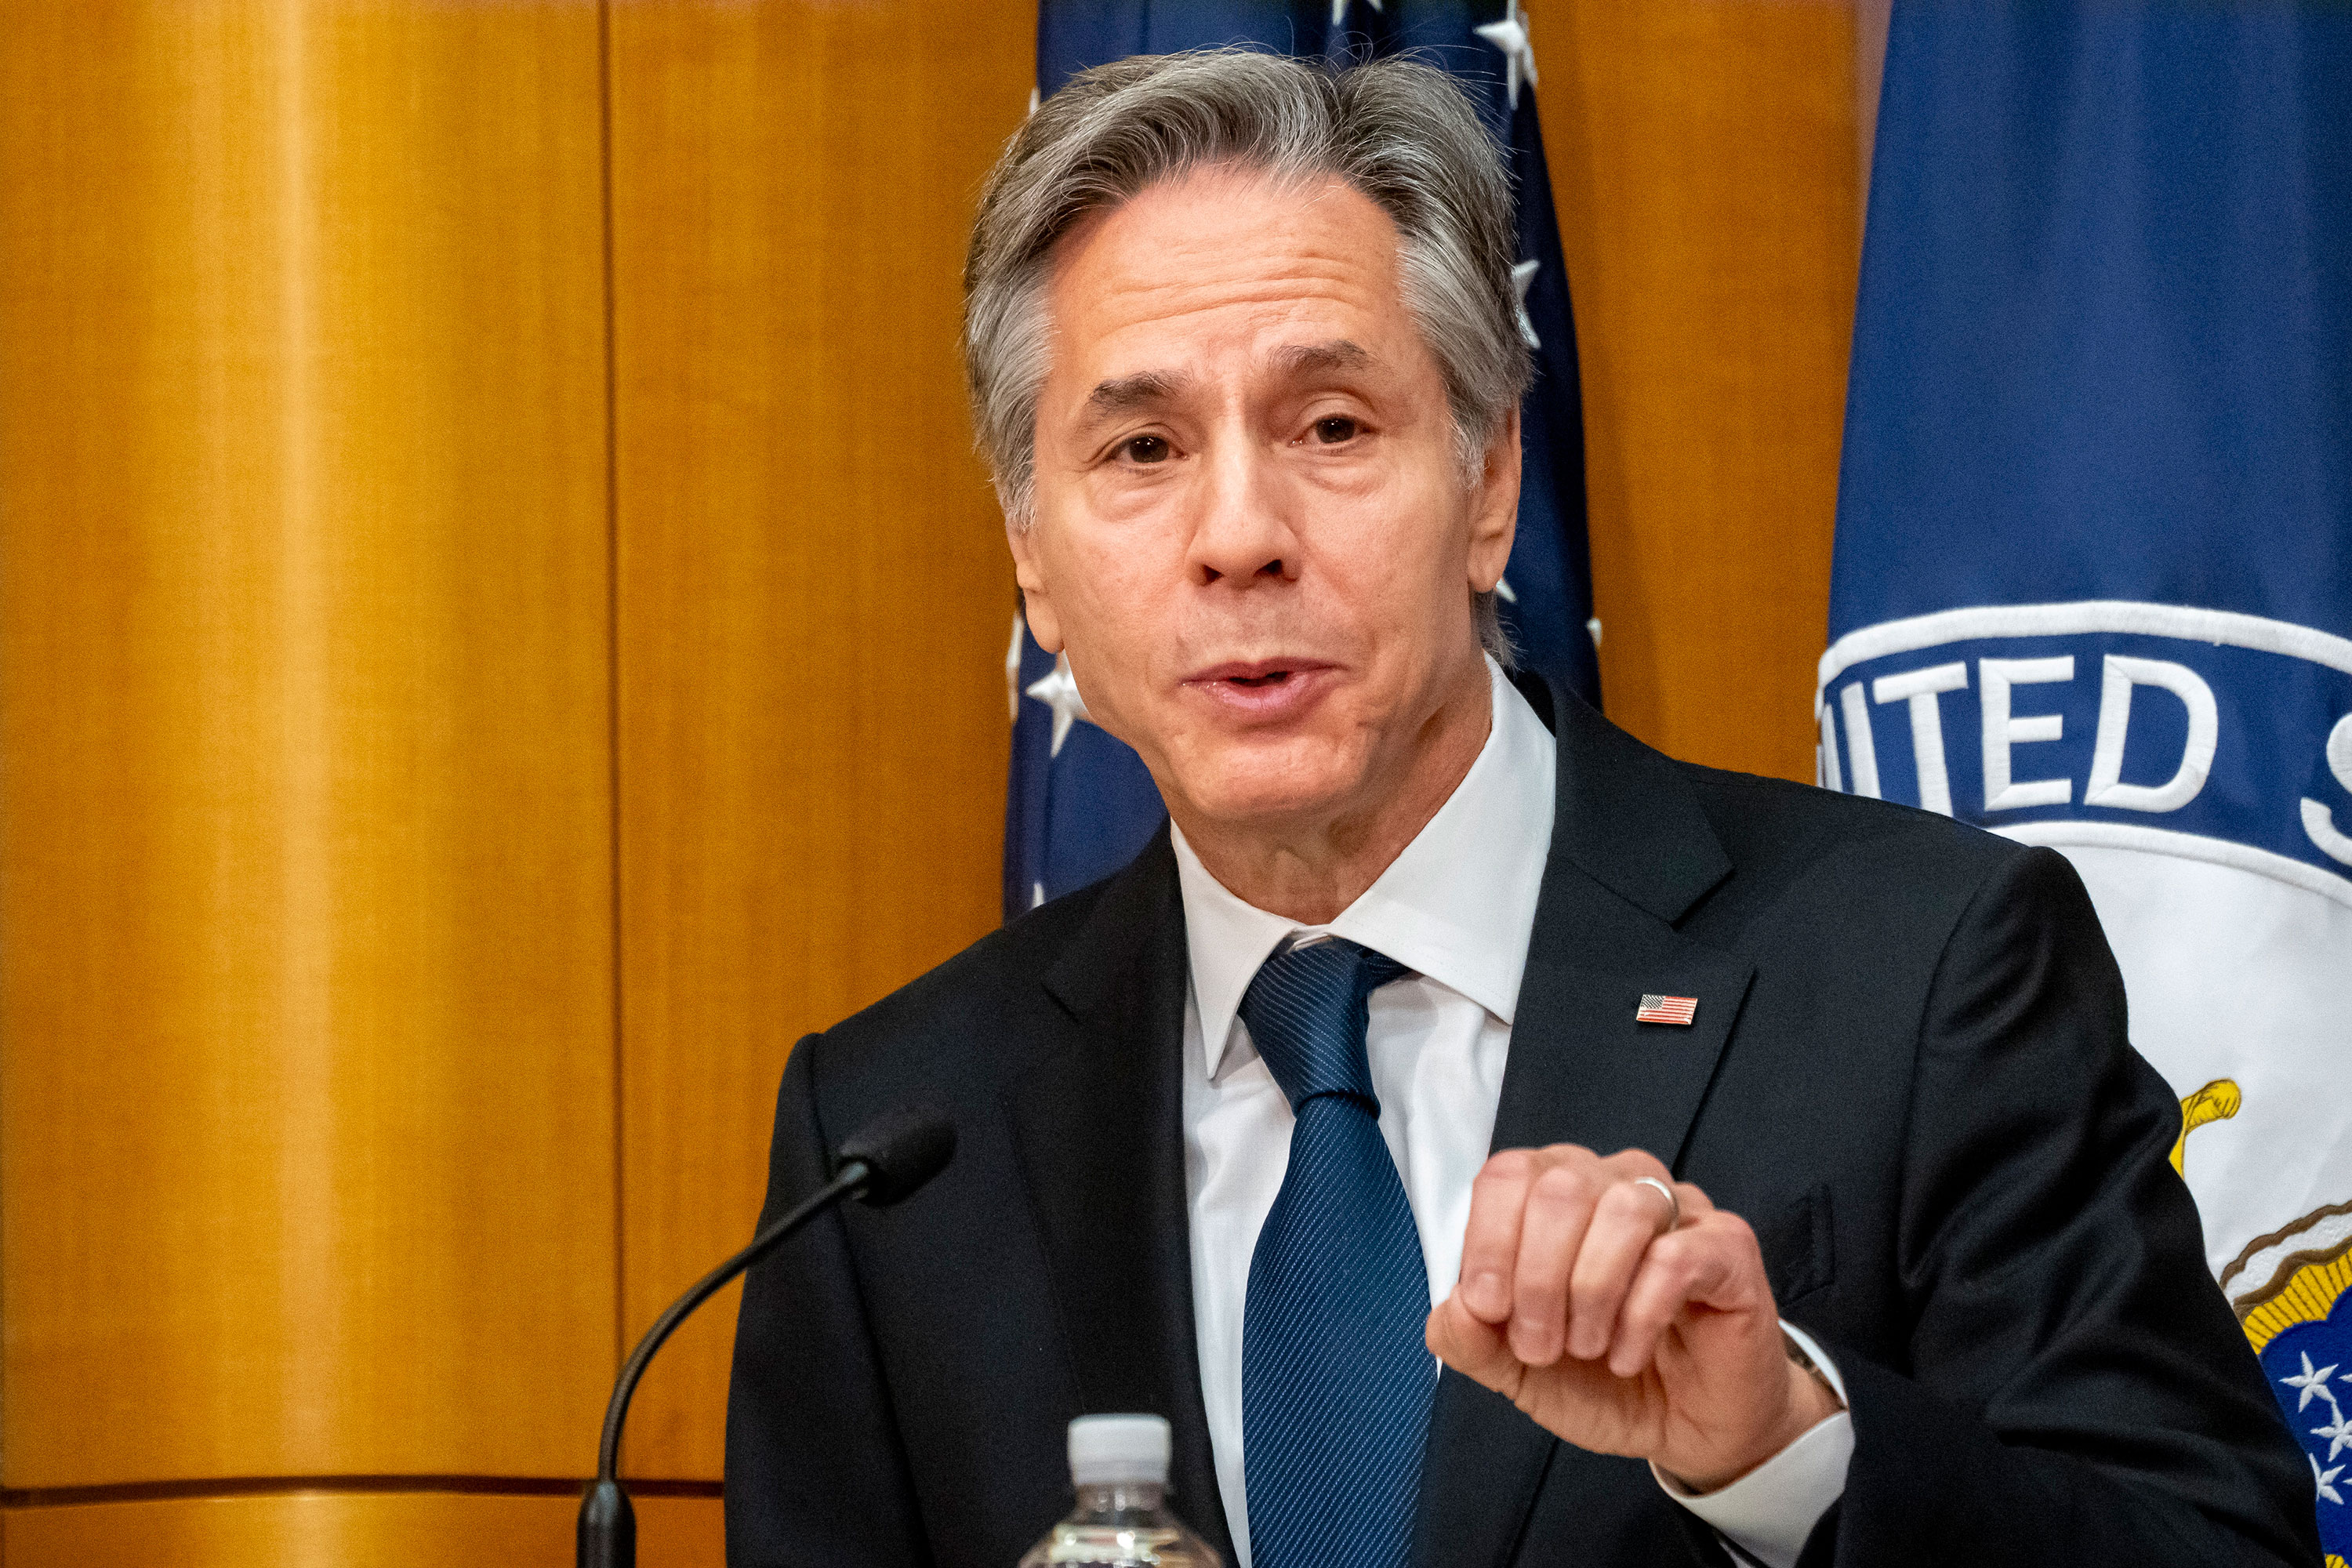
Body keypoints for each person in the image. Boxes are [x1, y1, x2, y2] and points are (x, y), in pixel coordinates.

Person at [724, 49, 2314, 1568]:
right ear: (1033, 556)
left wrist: (1786, 1442)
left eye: (1331, 425)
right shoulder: (888, 1150)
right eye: (1140, 448)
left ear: (1490, 482)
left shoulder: (1924, 973)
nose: (1237, 536)